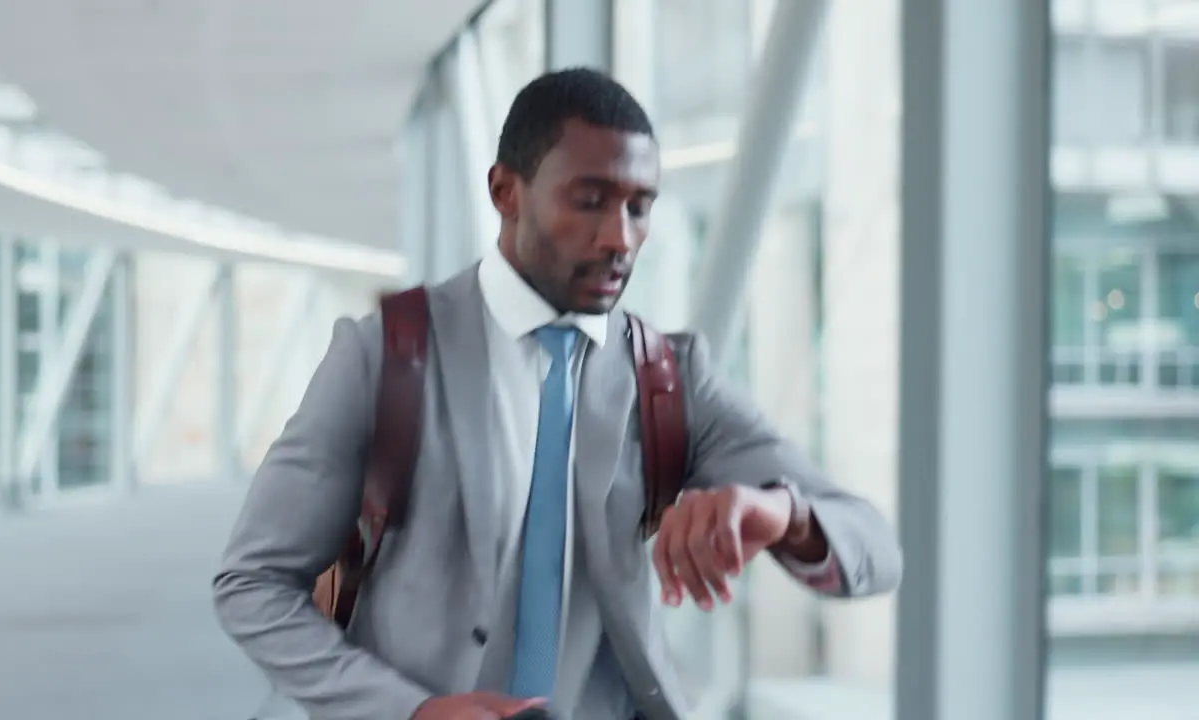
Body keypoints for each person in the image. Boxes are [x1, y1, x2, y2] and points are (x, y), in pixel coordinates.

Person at [213, 67, 902, 720]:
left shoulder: (669, 377)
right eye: (591, 200)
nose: (620, 238)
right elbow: (254, 584)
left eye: (639, 207)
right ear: (505, 192)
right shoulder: (385, 356)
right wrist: (409, 710)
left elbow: (876, 550)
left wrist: (781, 513)